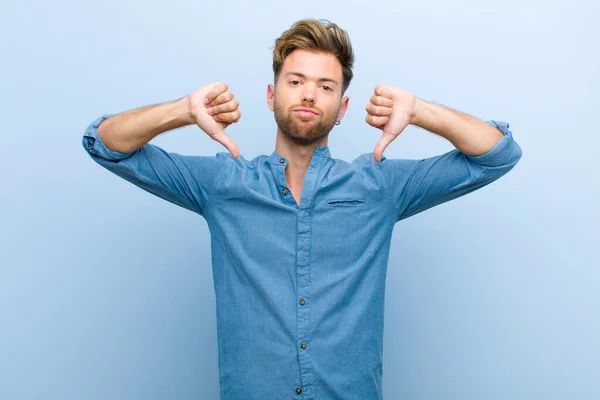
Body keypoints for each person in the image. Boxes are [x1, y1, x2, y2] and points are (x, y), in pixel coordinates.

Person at [82, 18, 522, 400]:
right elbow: (106, 145)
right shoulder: (223, 184)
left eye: (325, 86)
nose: (309, 95)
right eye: (296, 82)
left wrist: (421, 111)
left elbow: (498, 155)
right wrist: (181, 110)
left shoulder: (378, 186)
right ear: (272, 95)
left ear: (342, 106)